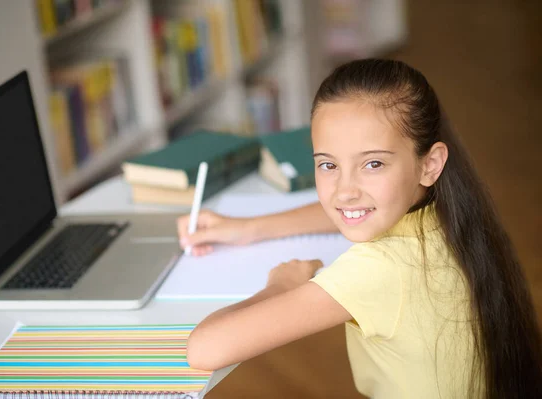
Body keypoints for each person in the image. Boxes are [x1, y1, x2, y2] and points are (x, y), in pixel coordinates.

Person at [177, 59, 542, 398]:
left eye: (372, 164)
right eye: (328, 165)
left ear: (430, 164)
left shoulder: (377, 271)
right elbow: (353, 206)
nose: (345, 190)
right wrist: (249, 228)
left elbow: (205, 348)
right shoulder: (442, 211)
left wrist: (282, 286)